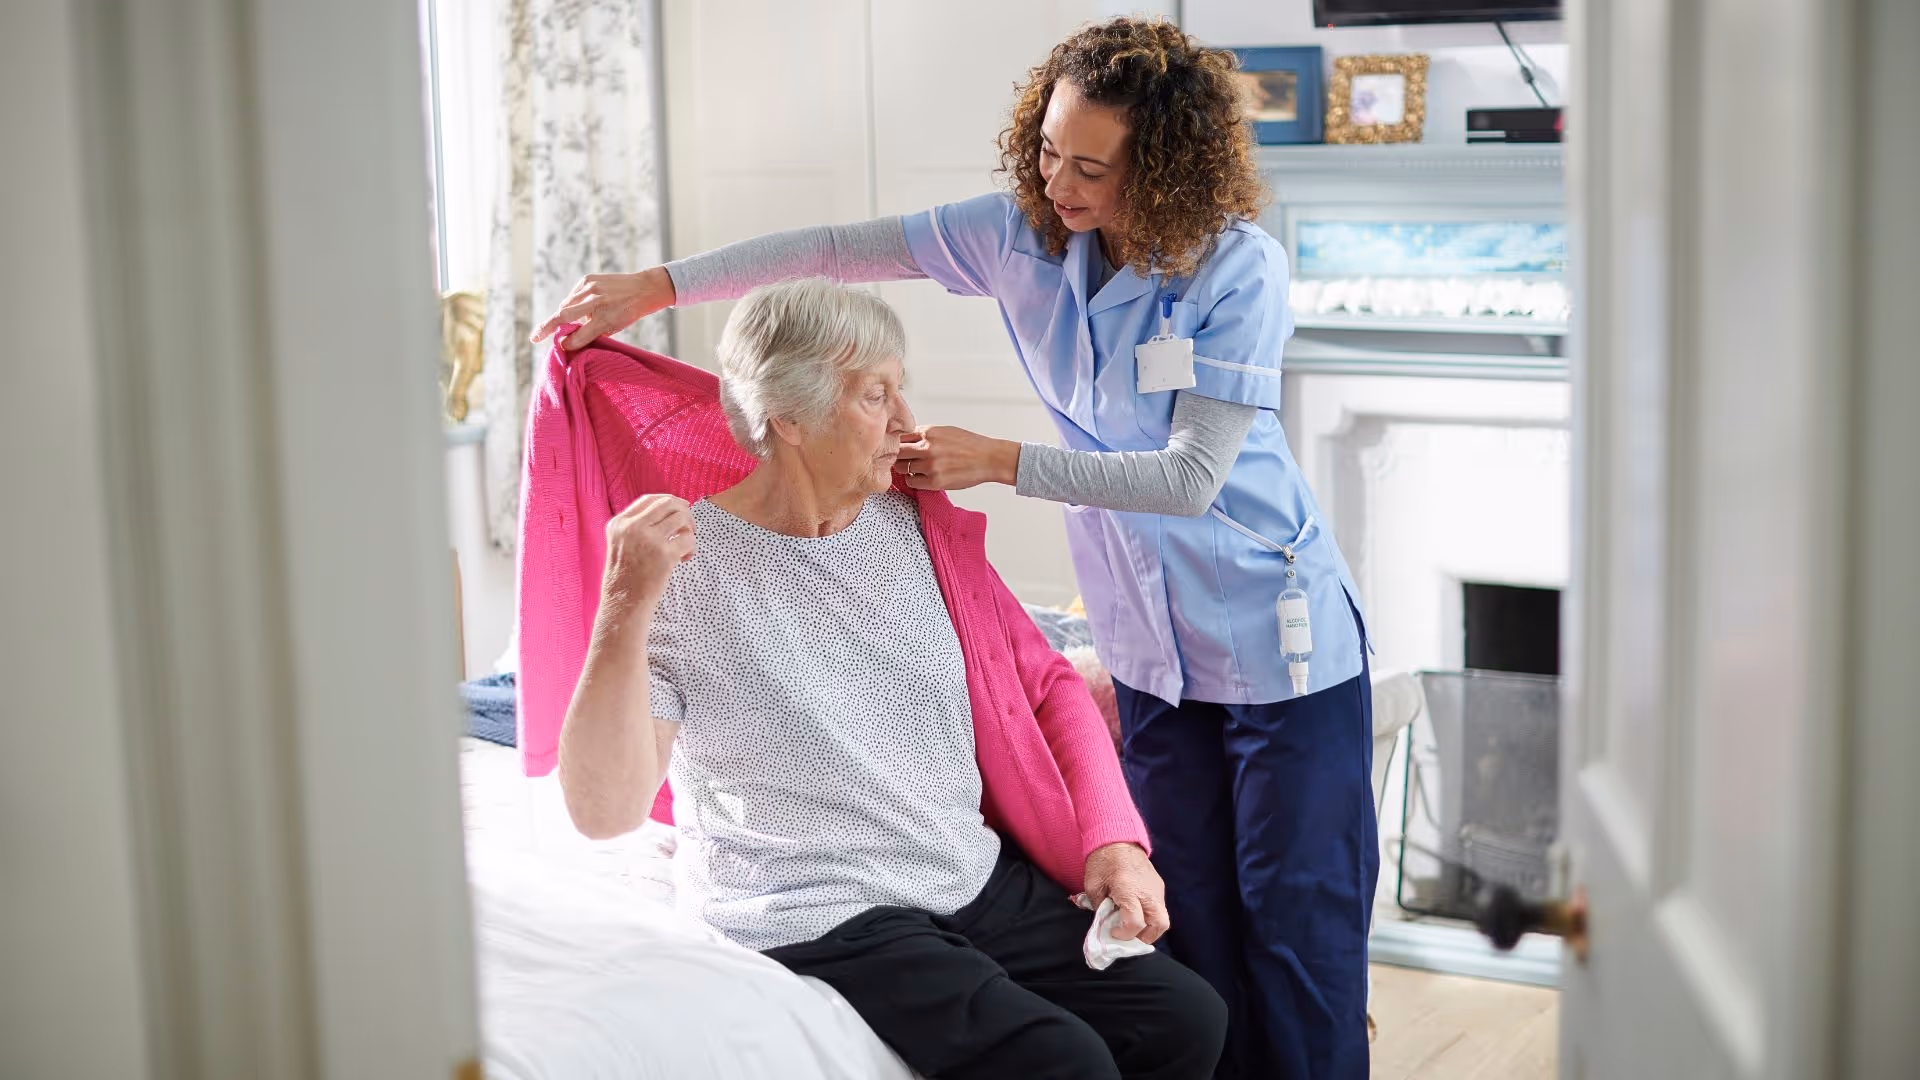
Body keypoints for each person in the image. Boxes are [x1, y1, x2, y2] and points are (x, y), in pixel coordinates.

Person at [536, 18, 1375, 1079]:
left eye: (1091, 168)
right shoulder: (1019, 234)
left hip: (1273, 633)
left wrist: (1000, 461)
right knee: (1195, 930)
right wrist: (660, 284)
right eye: (1047, 150)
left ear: (1158, 170)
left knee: (1300, 937)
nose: (1058, 183)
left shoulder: (1236, 269)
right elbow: (836, 249)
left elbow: (1190, 479)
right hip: (1147, 643)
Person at [557, 277, 1226, 1080]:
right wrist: (624, 598)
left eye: (899, 388)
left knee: (1186, 1016)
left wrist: (1114, 841)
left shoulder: (917, 524)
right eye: (877, 395)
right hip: (815, 902)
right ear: (789, 416)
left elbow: (1046, 683)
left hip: (957, 869)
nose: (907, 422)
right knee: (1062, 1062)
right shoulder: (685, 573)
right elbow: (602, 813)